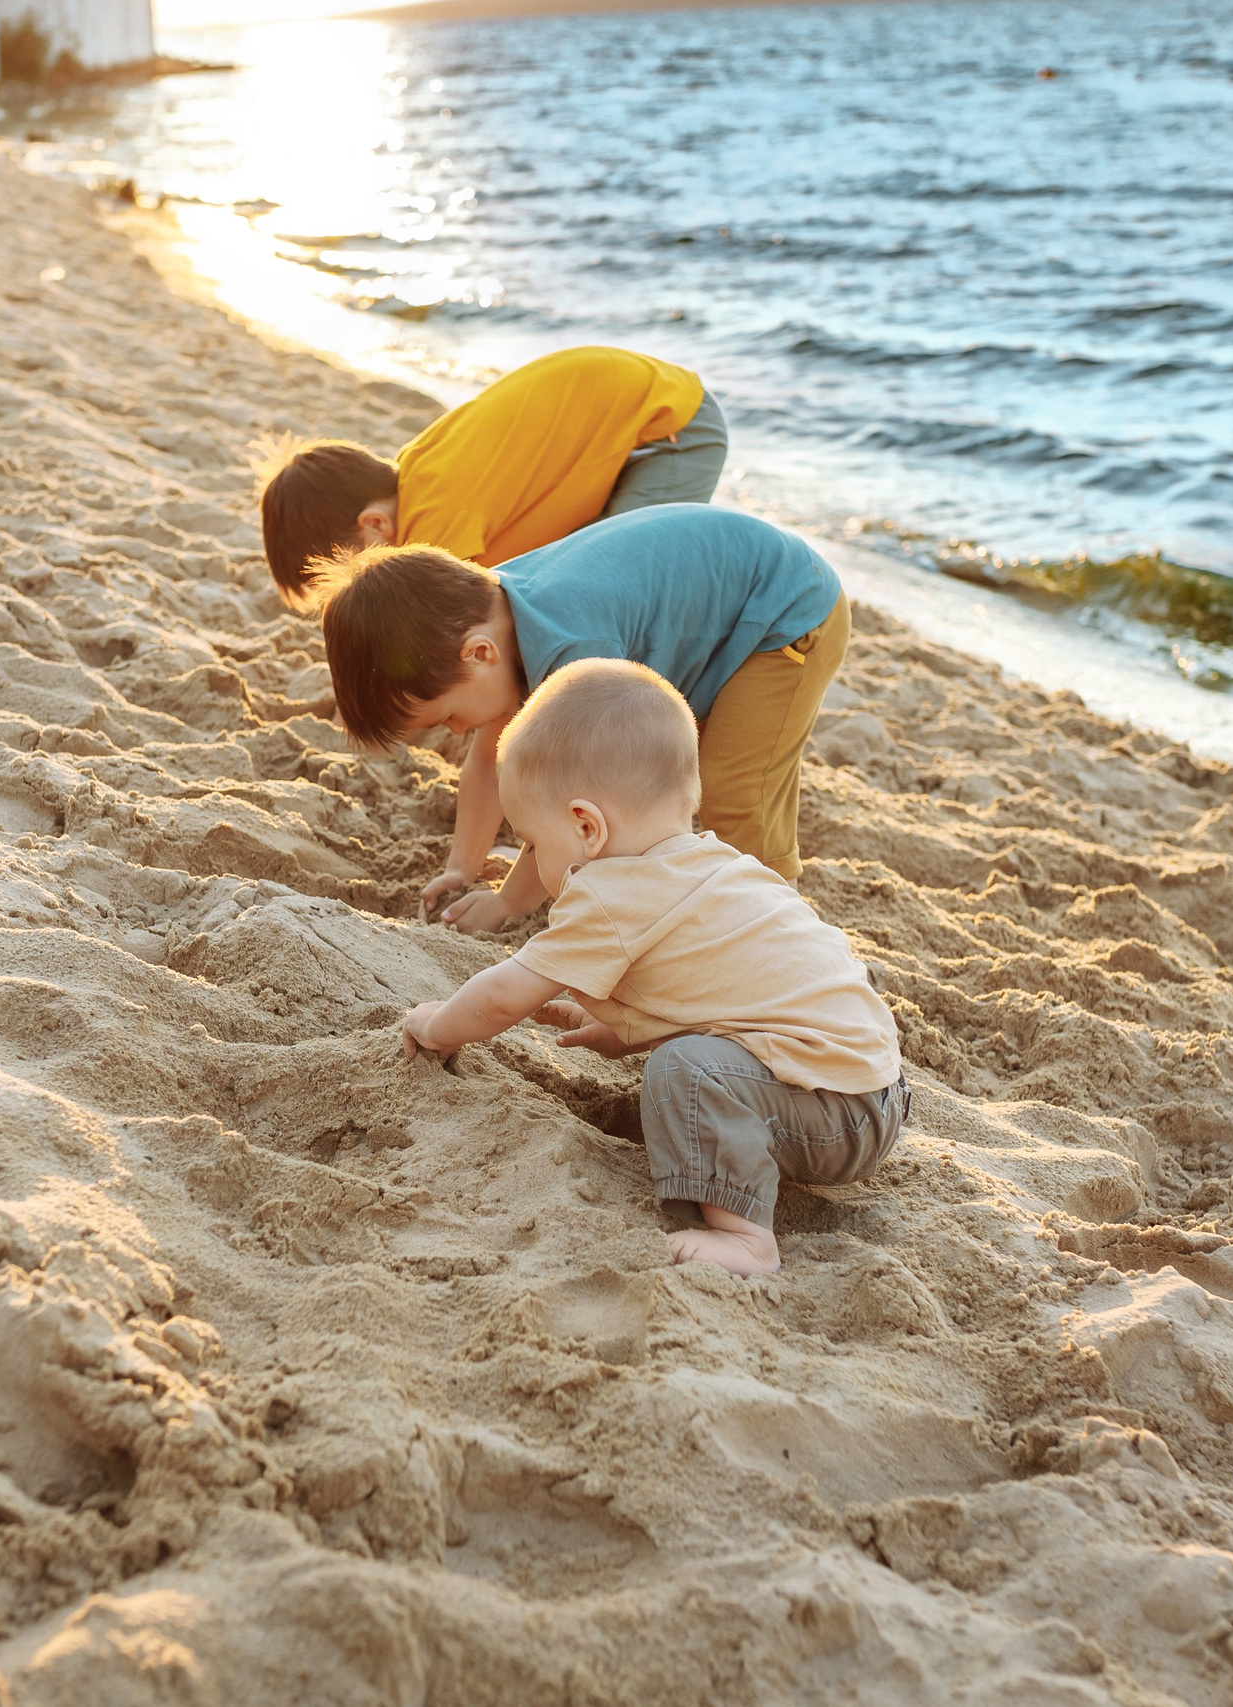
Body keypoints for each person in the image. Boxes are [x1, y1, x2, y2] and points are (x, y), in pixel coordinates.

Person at [398, 659, 906, 1277]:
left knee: (684, 1072)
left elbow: (504, 997)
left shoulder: (609, 891)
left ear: (586, 826)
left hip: (834, 1115)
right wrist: (626, 1027)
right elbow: (733, 1000)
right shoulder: (717, 865)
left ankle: (747, 1240)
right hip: (876, 1091)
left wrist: (437, 1025)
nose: (535, 860)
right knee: (687, 1058)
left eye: (534, 841)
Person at [319, 504, 848, 932]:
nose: (456, 731)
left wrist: (509, 903)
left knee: (736, 790)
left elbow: (578, 803)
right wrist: (463, 864)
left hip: (785, 616)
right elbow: (486, 762)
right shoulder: (491, 614)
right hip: (718, 613)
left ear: (479, 654)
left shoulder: (575, 650)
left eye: (449, 716)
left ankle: (780, 924)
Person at [259, 345, 728, 604]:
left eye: (350, 579)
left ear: (375, 526)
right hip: (618, 418)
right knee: (571, 569)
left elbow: (464, 619)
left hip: (672, 427)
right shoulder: (419, 470)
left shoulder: (434, 523)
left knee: (618, 578)